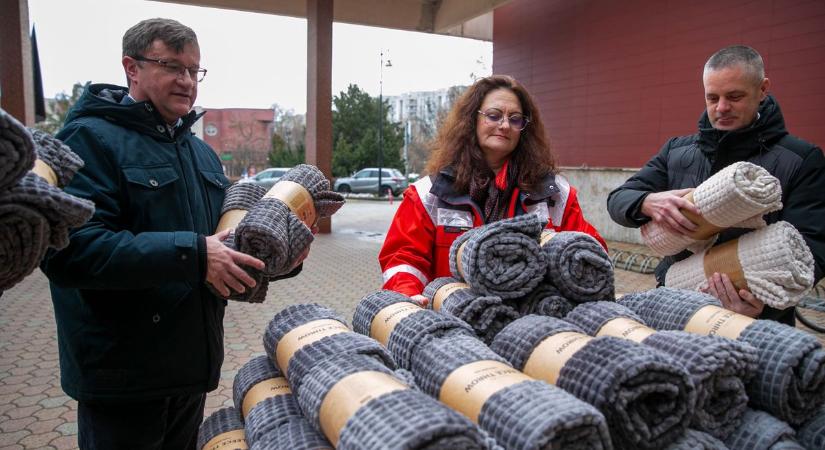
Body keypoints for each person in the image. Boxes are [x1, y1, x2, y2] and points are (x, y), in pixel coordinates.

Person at [41, 18, 264, 449]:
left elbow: (221, 244)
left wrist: (274, 255)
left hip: (188, 370)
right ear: (132, 68)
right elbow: (70, 252)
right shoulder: (87, 140)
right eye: (172, 66)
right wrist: (193, 254)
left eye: (193, 70)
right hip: (122, 378)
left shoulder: (199, 151)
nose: (186, 81)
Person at [607, 45, 825, 324]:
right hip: (677, 303)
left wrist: (766, 306)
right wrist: (646, 202)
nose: (721, 108)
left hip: (755, 320)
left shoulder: (801, 159)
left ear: (762, 89)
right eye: (712, 98)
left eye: (734, 96)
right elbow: (618, 198)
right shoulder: (677, 151)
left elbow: (812, 248)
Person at [379, 75, 605, 303]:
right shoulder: (430, 193)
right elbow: (403, 259)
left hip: (534, 323)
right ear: (472, 120)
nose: (505, 125)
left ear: (524, 128)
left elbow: (589, 253)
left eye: (515, 119)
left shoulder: (554, 194)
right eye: (494, 115)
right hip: (456, 323)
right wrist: (408, 295)